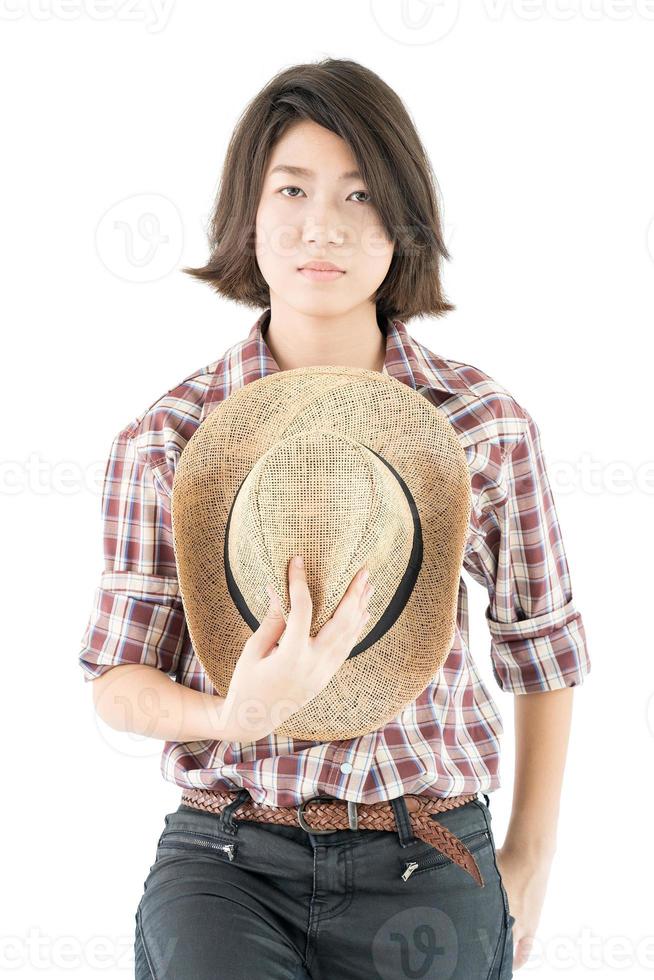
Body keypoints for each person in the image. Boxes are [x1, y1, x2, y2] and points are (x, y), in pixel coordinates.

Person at [78, 58, 591, 979]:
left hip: (429, 851)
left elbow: (541, 647)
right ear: (248, 212)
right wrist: (235, 716)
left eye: (361, 196)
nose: (324, 226)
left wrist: (532, 857)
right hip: (226, 858)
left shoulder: (483, 426)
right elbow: (118, 681)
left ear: (404, 223)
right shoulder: (169, 437)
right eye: (293, 189)